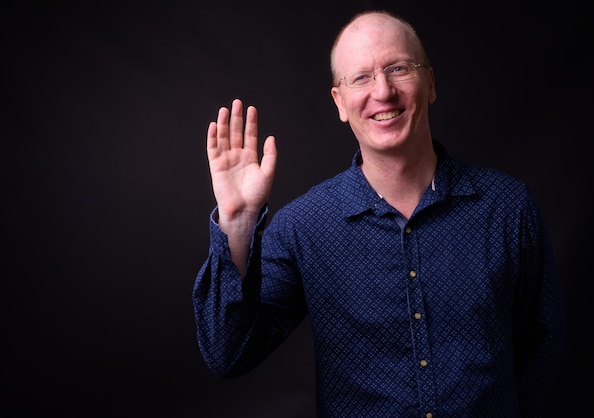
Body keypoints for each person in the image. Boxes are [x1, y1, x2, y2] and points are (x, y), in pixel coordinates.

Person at [193, 9, 566, 417]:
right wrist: (239, 224)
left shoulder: (508, 207)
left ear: (431, 83)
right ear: (339, 101)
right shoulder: (303, 227)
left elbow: (543, 358)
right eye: (361, 77)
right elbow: (228, 353)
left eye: (398, 68)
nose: (383, 92)